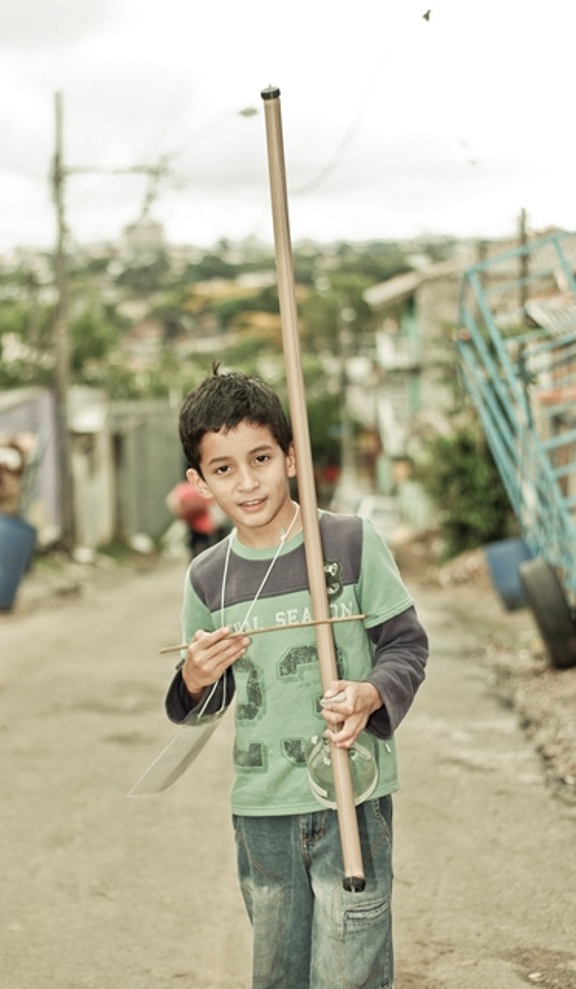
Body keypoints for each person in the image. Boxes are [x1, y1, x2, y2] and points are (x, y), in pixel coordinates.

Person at [164, 367, 429, 989]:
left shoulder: (349, 542)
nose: (247, 481)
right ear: (199, 482)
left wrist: (370, 693)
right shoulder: (207, 577)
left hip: (350, 796)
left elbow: (406, 646)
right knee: (278, 973)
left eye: (260, 457)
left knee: (348, 972)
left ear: (290, 456)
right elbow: (199, 704)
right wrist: (197, 678)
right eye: (223, 468)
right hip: (261, 810)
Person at [165, 478, 217, 559]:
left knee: (193, 546)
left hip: (191, 523)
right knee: (206, 547)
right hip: (203, 525)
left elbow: (172, 502)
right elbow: (211, 501)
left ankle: (194, 563)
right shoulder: (202, 488)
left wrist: (182, 513)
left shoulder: (182, 489)